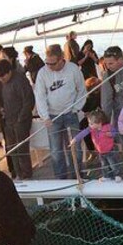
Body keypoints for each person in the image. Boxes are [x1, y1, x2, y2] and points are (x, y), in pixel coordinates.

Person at [34, 44, 87, 179]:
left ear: (61, 58)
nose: (49, 66)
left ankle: (78, 176)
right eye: (47, 63)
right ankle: (61, 180)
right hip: (52, 117)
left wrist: (76, 108)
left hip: (71, 114)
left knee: (75, 149)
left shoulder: (73, 69)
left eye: (52, 63)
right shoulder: (42, 72)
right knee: (56, 151)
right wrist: (45, 116)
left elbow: (81, 90)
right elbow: (40, 96)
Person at [0, 59, 35, 179]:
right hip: (9, 121)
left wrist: (21, 119)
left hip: (21, 121)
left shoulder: (20, 80)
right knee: (12, 150)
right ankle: (18, 174)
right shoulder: (3, 83)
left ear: (9, 71)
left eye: (2, 76)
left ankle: (27, 175)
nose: (1, 79)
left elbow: (29, 100)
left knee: (22, 150)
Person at [70, 109, 123, 181]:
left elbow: (115, 132)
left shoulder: (107, 127)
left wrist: (111, 134)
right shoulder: (91, 129)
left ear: (99, 123)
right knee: (104, 165)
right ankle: (106, 176)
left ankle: (117, 175)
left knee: (113, 164)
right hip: (100, 151)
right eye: (89, 123)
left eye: (91, 123)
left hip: (110, 150)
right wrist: (75, 139)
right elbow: (83, 133)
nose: (89, 125)